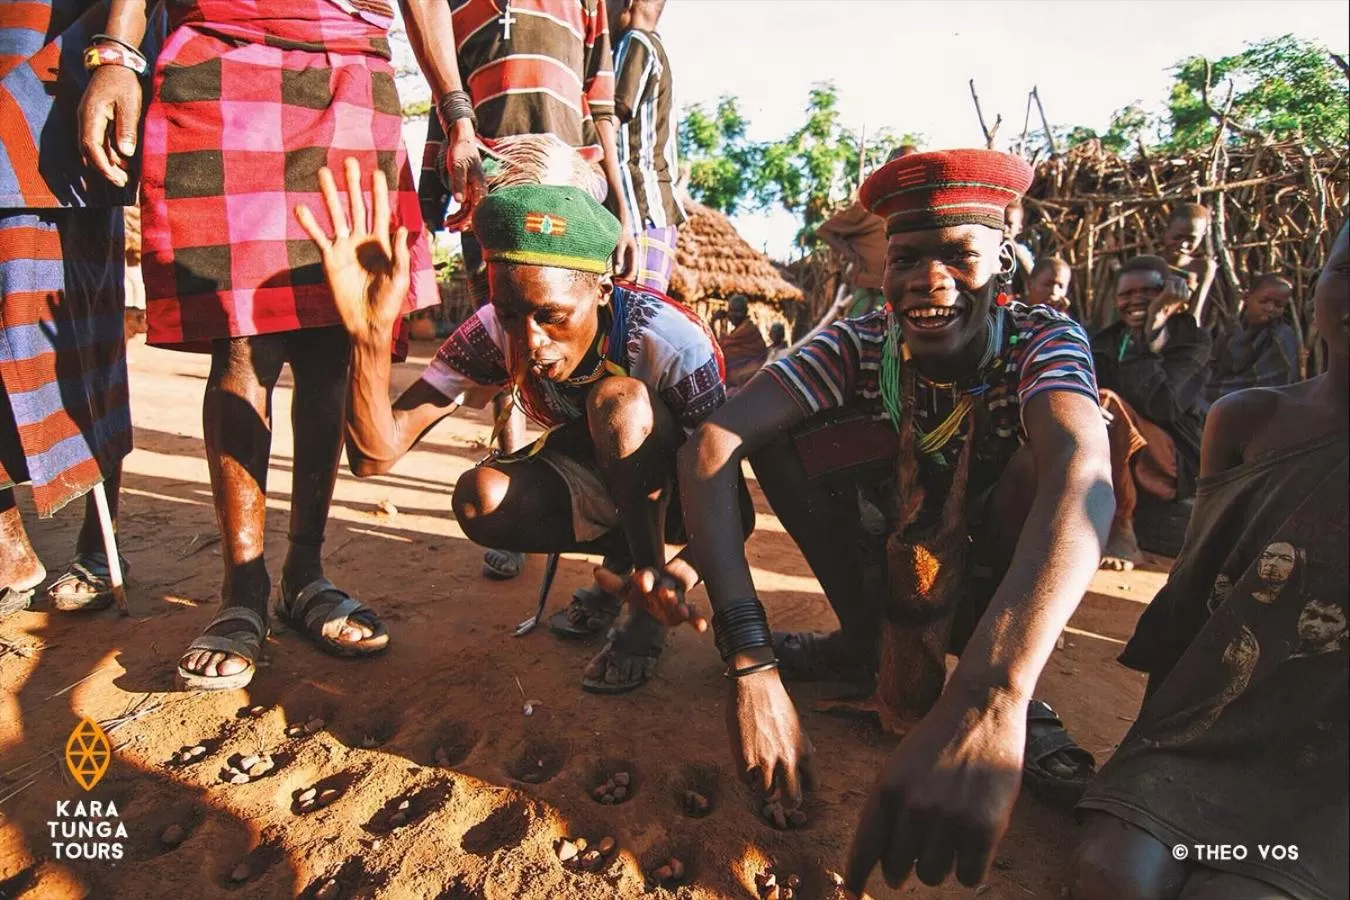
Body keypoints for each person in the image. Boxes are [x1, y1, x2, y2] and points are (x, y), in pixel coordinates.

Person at [628, 150, 1111, 870]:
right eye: (907, 258)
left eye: (960, 255)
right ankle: (862, 644)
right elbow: (712, 444)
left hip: (992, 593)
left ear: (1004, 262)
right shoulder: (860, 344)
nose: (929, 280)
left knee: (1046, 461)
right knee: (776, 437)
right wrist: (750, 660)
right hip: (887, 563)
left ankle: (1017, 693)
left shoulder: (1043, 339)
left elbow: (1084, 476)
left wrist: (993, 697)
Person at [80, 0, 449, 690]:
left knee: (333, 340)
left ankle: (304, 572)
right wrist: (116, 56)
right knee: (244, 340)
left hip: (353, 72)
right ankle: (241, 592)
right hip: (221, 62)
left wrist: (455, 107)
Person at [295, 167, 730, 694]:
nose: (531, 340)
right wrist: (367, 336)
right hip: (608, 489)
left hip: (683, 502)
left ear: (601, 291)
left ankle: (641, 604)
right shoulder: (493, 333)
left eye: (553, 316)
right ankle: (624, 565)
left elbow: (735, 508)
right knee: (483, 497)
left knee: (619, 403)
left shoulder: (670, 344)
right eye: (510, 313)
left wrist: (671, 579)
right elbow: (374, 454)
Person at [1070, 222, 1348, 900]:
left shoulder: (1190, 341)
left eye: (1147, 292)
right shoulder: (1250, 420)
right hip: (1208, 735)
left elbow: (1164, 398)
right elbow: (1191, 602)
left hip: (1329, 768)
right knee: (1114, 879)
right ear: (1324, 279)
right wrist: (1145, 750)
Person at [419, 0, 638, 584]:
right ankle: (513, 462)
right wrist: (423, 206)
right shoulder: (455, 8)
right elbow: (444, 106)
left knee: (568, 334)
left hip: (569, 183)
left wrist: (620, 201)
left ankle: (598, 489)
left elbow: (601, 105)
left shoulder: (585, 4)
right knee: (510, 332)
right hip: (488, 188)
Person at [0, 2, 141, 617]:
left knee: (77, 336)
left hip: (56, 103)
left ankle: (98, 541)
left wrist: (116, 60)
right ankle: (7, 548)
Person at [1091, 256, 1210, 570]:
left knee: (1106, 402)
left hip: (1170, 461)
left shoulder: (1191, 340)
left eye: (1149, 291)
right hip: (1117, 459)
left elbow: (1165, 405)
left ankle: (1121, 529)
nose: (1136, 300)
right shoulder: (1105, 342)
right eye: (1126, 294)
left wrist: (1154, 326)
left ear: (1169, 293)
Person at [609, 0, 686, 294]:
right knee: (640, 324)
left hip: (636, 208)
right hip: (656, 212)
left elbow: (608, 122)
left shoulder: (636, 43)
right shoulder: (657, 49)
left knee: (624, 322)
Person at [816, 144, 919, 319]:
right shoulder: (869, 207)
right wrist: (853, 257)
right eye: (902, 166)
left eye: (913, 166)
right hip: (871, 292)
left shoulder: (921, 208)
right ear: (889, 171)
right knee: (861, 340)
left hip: (909, 293)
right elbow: (825, 230)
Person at [1205, 273, 1301, 402]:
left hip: (1260, 403)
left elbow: (1272, 384)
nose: (1270, 308)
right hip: (1222, 391)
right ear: (1246, 297)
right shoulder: (1231, 329)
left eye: (1279, 305)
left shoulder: (1282, 335)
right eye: (1264, 301)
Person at [1161, 202, 1219, 322]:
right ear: (1166, 230)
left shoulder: (1203, 268)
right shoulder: (1148, 264)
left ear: (1202, 237)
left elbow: (1194, 314)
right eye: (1177, 237)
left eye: (1191, 239)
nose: (1183, 244)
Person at [716, 295, 768, 395]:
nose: (733, 315)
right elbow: (720, 350)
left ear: (746, 312)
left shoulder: (751, 332)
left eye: (737, 311)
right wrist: (715, 321)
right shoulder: (734, 334)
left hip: (749, 389)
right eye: (731, 311)